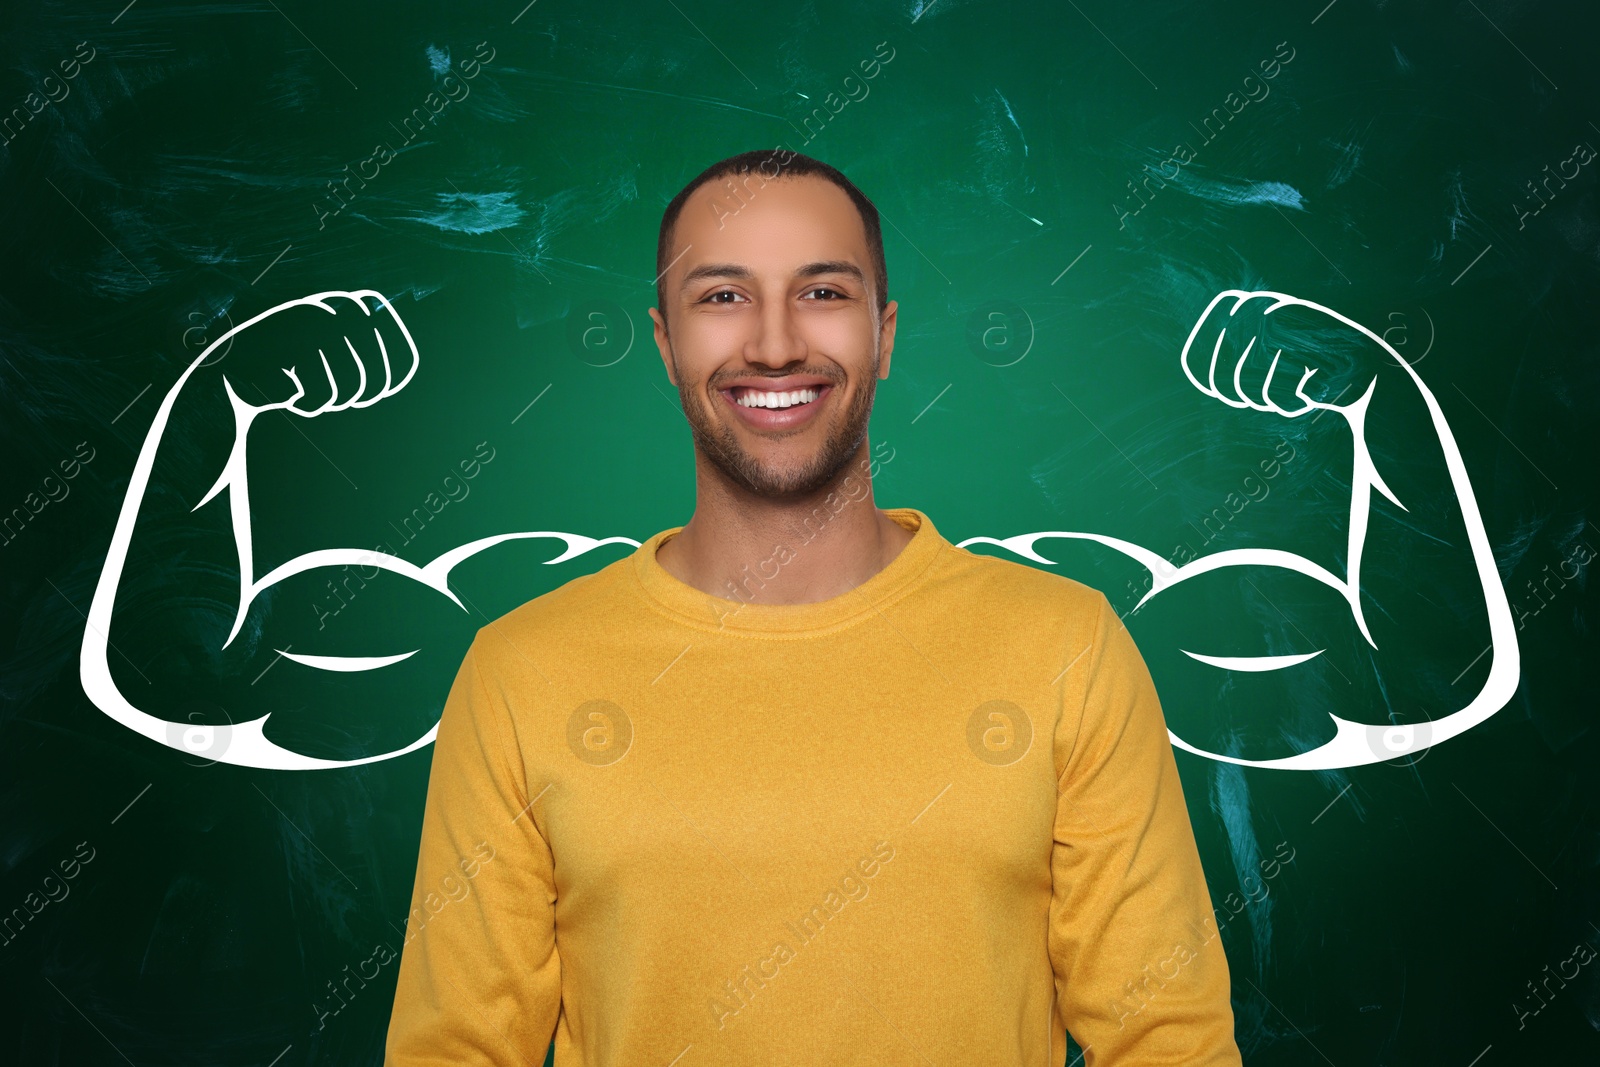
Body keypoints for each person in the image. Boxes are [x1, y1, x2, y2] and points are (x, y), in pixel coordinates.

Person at [383, 149, 1243, 1065]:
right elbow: (458, 1050)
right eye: (723, 296)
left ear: (886, 334)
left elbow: (1167, 1039)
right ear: (666, 343)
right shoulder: (521, 669)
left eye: (823, 292)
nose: (776, 343)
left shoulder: (1068, 645)